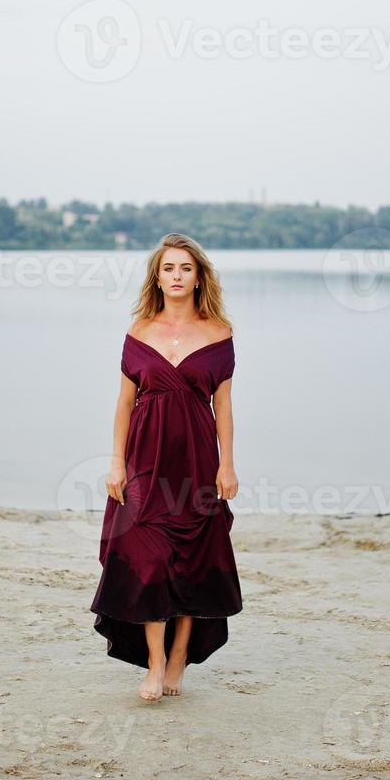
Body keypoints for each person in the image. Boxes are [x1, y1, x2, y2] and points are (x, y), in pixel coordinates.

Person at [90, 233, 243, 702]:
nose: (176, 276)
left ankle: (179, 657)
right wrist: (116, 463)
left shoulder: (220, 333)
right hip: (143, 461)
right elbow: (124, 402)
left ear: (199, 277)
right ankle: (155, 661)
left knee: (193, 559)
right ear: (157, 278)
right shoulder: (139, 331)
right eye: (168, 269)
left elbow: (224, 406)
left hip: (198, 462)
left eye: (185, 268)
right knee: (149, 556)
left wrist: (228, 466)